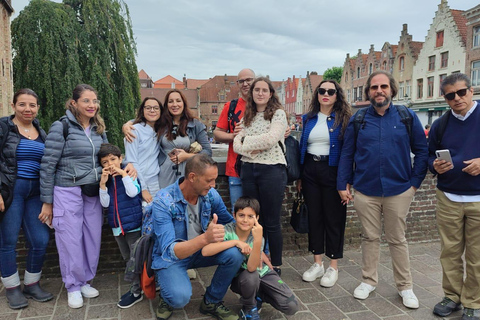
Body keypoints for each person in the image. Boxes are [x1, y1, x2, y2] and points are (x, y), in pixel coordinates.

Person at [337, 71, 428, 309]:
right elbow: (347, 154)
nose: (379, 90)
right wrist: (342, 184)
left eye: (384, 86)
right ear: (368, 91)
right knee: (370, 237)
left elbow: (422, 150)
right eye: (375, 87)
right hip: (365, 190)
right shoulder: (358, 119)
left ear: (391, 90)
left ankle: (405, 286)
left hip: (399, 189)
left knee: (398, 239)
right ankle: (368, 280)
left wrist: (414, 184)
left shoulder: (406, 116)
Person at [39, 84, 134, 309]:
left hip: (92, 190)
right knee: (70, 240)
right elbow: (48, 164)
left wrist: (128, 165)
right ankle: (72, 285)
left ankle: (84, 281)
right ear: (74, 103)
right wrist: (47, 202)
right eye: (86, 101)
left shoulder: (99, 129)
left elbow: (109, 155)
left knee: (92, 238)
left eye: (95, 101)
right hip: (67, 190)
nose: (92, 105)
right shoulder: (61, 127)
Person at [152, 154, 243, 320]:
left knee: (235, 254)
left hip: (201, 252)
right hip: (173, 258)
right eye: (209, 180)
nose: (213, 185)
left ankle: (211, 302)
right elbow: (170, 251)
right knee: (179, 298)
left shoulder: (210, 195)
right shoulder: (163, 201)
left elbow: (231, 223)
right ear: (192, 177)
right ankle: (166, 297)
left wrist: (257, 242)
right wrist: (205, 239)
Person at [428, 73, 480, 320]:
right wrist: (434, 166)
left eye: (461, 92)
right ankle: (452, 296)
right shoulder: (440, 124)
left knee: (477, 254)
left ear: (471, 91)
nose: (457, 98)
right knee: (449, 251)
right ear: (445, 98)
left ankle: (474, 301)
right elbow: (428, 156)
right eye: (451, 95)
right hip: (448, 197)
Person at [202, 196, 298, 320]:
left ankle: (259, 296)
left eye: (250, 216)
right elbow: (205, 251)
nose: (245, 220)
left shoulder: (258, 236)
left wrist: (258, 240)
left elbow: (257, 266)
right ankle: (249, 307)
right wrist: (235, 243)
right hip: (244, 278)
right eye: (241, 215)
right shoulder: (227, 230)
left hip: (264, 273)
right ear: (234, 215)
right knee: (251, 277)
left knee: (291, 306)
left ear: (257, 218)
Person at [0, 89, 54, 309]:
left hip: (36, 193)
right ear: (13, 106)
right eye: (22, 104)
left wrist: (48, 198)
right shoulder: (4, 128)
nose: (28, 109)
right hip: (11, 190)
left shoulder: (41, 131)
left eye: (32, 105)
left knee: (40, 240)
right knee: (8, 241)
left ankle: (32, 284)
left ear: (37, 108)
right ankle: (12, 288)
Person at [297, 80, 352, 287]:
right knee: (315, 217)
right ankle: (317, 262)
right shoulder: (308, 119)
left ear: (337, 95)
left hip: (333, 171)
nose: (326, 94)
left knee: (334, 218)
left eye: (331, 91)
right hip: (311, 170)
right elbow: (303, 147)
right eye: (322, 91)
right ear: (317, 94)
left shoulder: (344, 119)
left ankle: (333, 266)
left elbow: (348, 153)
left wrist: (346, 182)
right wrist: (301, 176)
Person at [233, 77, 289, 276]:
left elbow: (272, 139)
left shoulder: (278, 114)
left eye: (264, 90)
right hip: (249, 169)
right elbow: (236, 145)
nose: (260, 93)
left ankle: (276, 263)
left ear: (271, 93)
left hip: (272, 170)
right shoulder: (247, 115)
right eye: (257, 90)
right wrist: (249, 149)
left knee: (271, 220)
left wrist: (247, 142)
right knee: (252, 218)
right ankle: (255, 258)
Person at [123, 89, 212, 189]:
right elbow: (144, 119)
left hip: (188, 172)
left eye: (178, 101)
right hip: (164, 174)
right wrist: (127, 125)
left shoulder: (195, 124)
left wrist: (187, 156)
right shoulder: (162, 122)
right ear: (166, 105)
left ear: (184, 103)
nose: (175, 104)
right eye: (170, 101)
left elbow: (208, 152)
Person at [98, 143, 143, 309]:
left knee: (136, 259)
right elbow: (105, 203)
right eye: (105, 162)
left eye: (113, 159)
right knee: (127, 258)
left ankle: (137, 291)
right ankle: (140, 286)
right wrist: (102, 184)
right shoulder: (108, 181)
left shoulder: (130, 174)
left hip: (133, 226)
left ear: (121, 159)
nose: (110, 164)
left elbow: (133, 193)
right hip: (117, 226)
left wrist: (123, 174)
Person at [214, 68, 255, 212]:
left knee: (259, 214)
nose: (245, 84)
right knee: (237, 212)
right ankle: (238, 236)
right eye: (241, 81)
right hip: (235, 169)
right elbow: (217, 133)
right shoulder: (230, 107)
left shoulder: (266, 106)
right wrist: (233, 136)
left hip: (260, 169)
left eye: (248, 80)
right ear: (238, 84)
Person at [124, 97, 163, 204]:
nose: (152, 110)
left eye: (156, 108)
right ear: (143, 110)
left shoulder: (160, 131)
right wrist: (143, 188)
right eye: (148, 108)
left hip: (155, 182)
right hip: (139, 182)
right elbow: (131, 161)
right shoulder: (134, 131)